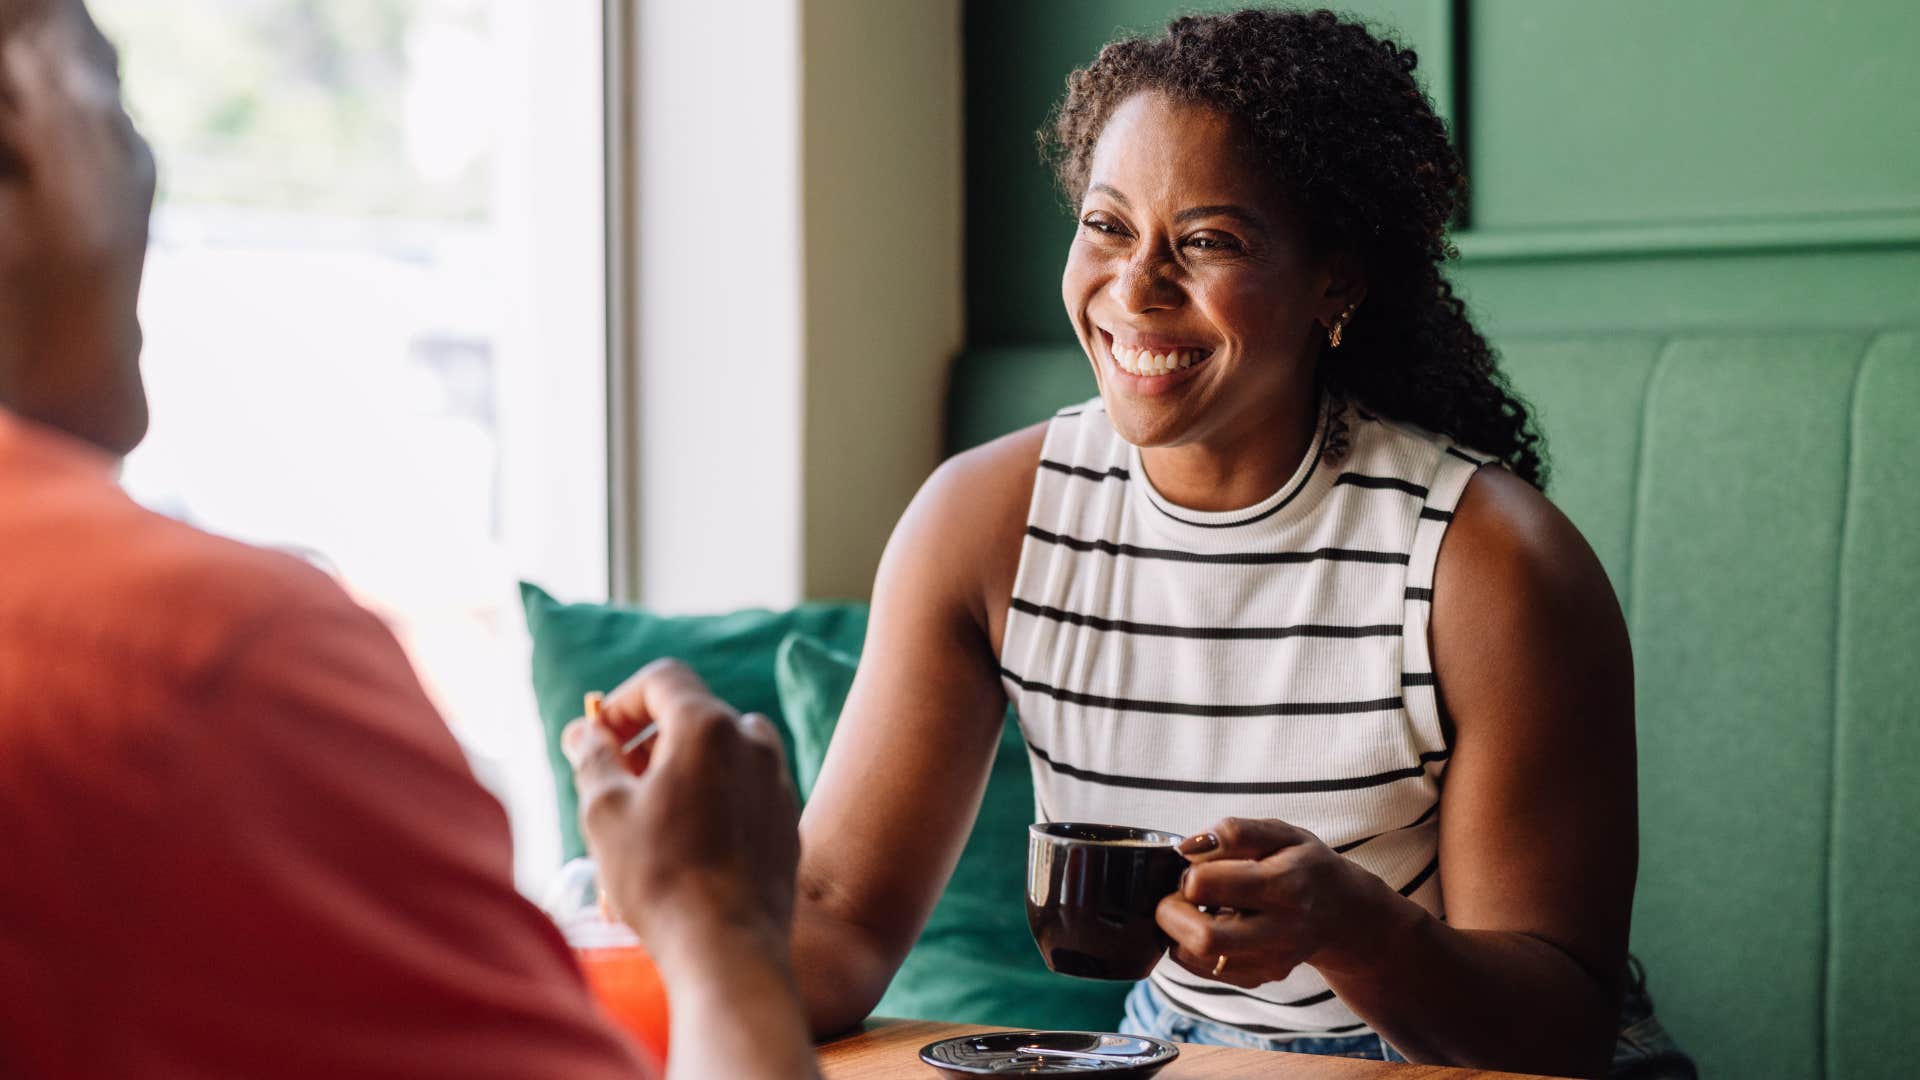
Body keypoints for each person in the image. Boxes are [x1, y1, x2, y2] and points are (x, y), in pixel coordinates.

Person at [785, 11, 1687, 1079]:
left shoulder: (1484, 564)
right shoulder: (984, 525)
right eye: (1108, 226)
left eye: (1209, 241)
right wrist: (677, 907)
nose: (1135, 288)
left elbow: (1557, 1030)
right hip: (1179, 1051)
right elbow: (836, 919)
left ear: (1336, 283)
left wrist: (1355, 928)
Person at [0, 2, 816, 1077]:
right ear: (21, 132)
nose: (149, 169)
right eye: (114, 95)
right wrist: (722, 929)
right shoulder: (208, 664)